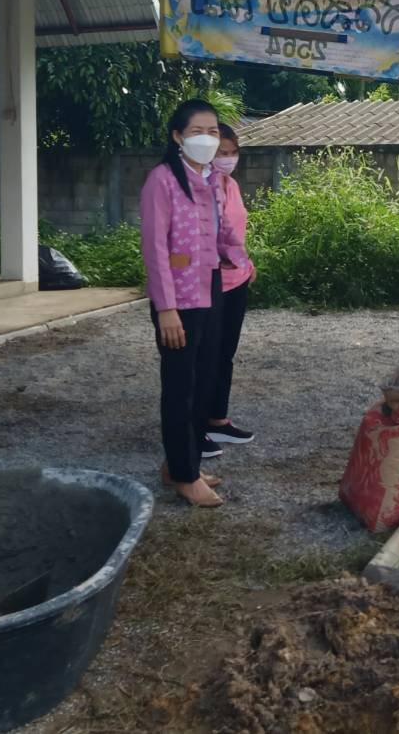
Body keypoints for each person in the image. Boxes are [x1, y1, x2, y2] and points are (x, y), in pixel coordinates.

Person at [139, 100, 247, 508]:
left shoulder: (211, 180)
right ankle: (184, 476)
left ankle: (181, 464)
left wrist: (239, 260)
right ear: (177, 136)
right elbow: (155, 248)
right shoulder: (162, 181)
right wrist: (166, 308)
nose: (208, 139)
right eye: (198, 131)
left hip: (211, 288)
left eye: (213, 131)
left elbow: (224, 234)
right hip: (178, 299)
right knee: (180, 386)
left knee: (204, 380)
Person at [207, 122, 256, 450]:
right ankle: (197, 426)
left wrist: (246, 263)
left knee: (225, 354)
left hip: (237, 279)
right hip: (211, 281)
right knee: (206, 355)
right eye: (222, 153)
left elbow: (233, 232)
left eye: (233, 152)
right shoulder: (203, 186)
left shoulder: (232, 185)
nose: (228, 158)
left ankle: (218, 420)